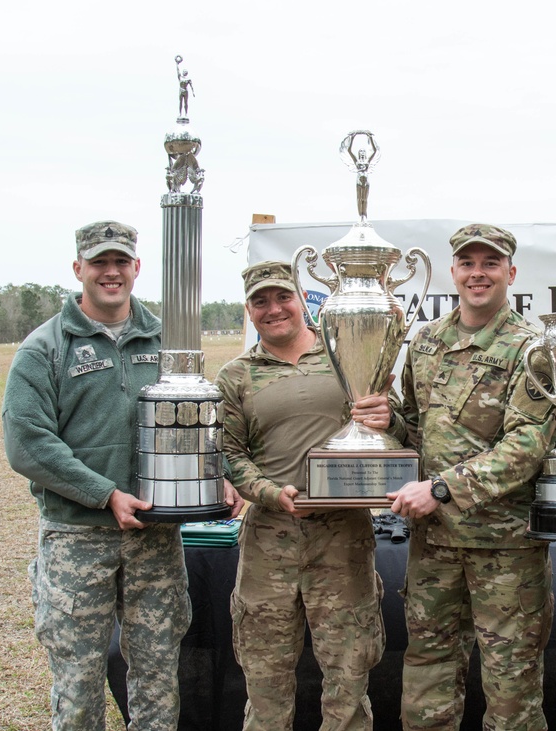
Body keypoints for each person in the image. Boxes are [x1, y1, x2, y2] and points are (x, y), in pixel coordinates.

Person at [2, 220, 242, 730]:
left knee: (157, 676)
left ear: (136, 268)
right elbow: (27, 443)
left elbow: (193, 419)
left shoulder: (166, 341)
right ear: (78, 270)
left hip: (154, 538)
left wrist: (215, 473)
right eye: (98, 263)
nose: (110, 273)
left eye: (119, 263)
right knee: (79, 681)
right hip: (77, 537)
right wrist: (104, 494)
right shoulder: (45, 348)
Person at [379, 224, 556, 731]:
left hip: (504, 548)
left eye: (490, 263)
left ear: (511, 273)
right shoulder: (427, 340)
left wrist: (441, 489)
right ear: (454, 271)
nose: (478, 273)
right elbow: (416, 425)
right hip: (434, 546)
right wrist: (387, 422)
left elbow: (528, 446)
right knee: (427, 678)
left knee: (512, 690)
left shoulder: (532, 349)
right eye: (468, 263)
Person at [216, 261, 388, 731]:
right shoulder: (236, 375)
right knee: (265, 680)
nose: (273, 309)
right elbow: (229, 454)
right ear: (249, 310)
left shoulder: (347, 356)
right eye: (260, 301)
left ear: (301, 300)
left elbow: (393, 431)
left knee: (349, 679)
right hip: (269, 540)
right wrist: (271, 493)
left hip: (343, 539)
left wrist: (387, 418)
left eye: (282, 297)